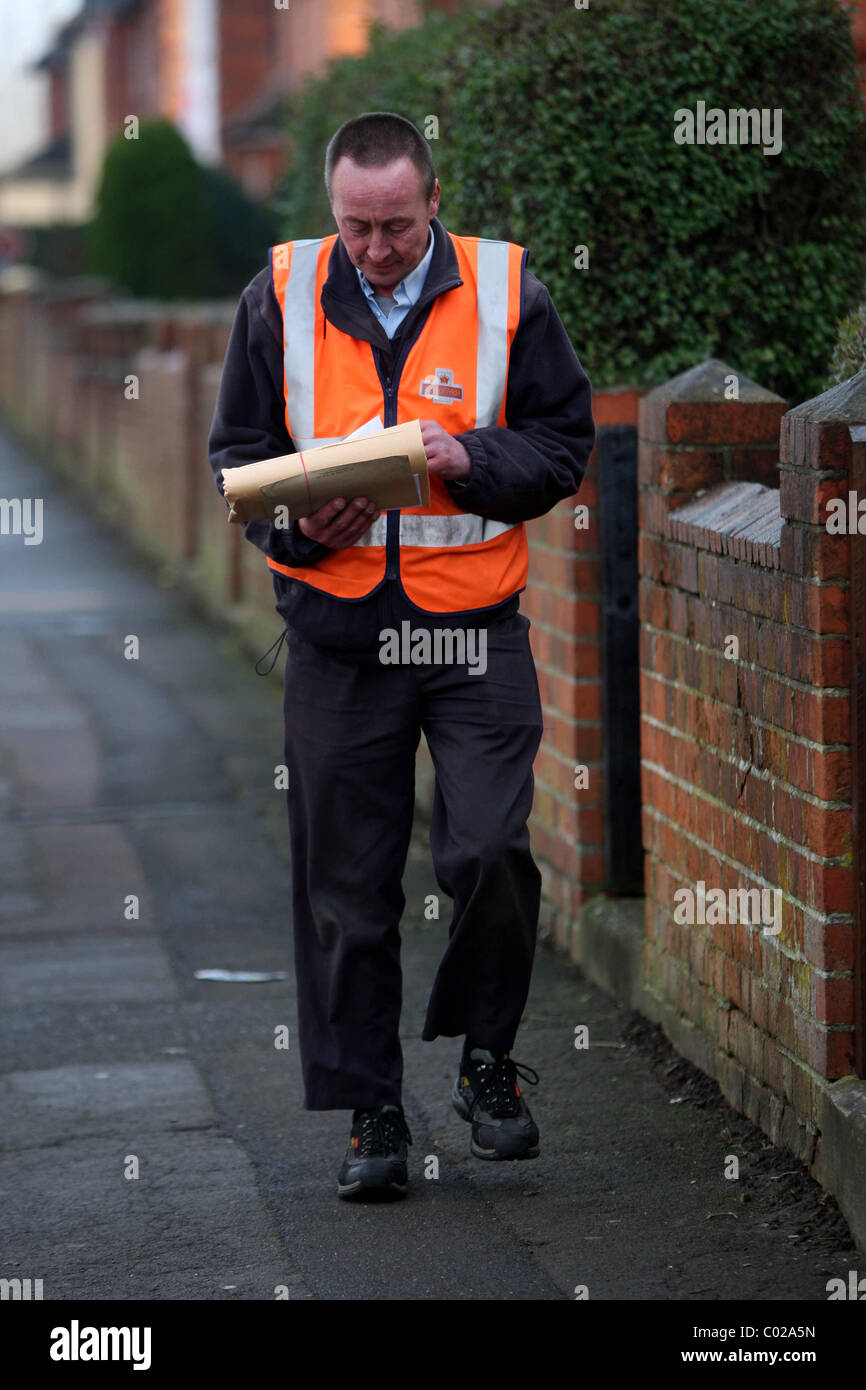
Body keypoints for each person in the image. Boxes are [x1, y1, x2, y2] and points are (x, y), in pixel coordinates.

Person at [208, 111, 595, 1200]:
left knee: (486, 850)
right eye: (355, 226)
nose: (374, 247)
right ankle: (370, 1109)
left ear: (434, 199)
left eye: (394, 224)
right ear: (331, 211)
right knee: (345, 886)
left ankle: (486, 1062)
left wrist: (467, 455)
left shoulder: (508, 291)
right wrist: (293, 527)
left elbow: (563, 444)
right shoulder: (277, 294)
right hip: (337, 638)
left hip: (473, 633)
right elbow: (236, 455)